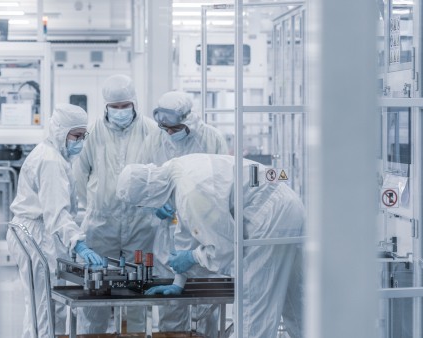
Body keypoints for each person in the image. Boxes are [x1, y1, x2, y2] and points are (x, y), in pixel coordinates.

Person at [116, 154, 304, 338]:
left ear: (148, 195)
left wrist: (192, 257)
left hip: (268, 217)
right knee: (297, 304)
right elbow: (188, 232)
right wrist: (178, 282)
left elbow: (225, 248)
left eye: (141, 206)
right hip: (287, 206)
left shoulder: (191, 191)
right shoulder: (176, 173)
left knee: (252, 309)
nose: (146, 210)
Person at [74, 74, 160, 333]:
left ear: (134, 104)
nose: (120, 111)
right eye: (115, 106)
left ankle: (135, 334)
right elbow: (80, 175)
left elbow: (161, 173)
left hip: (142, 227)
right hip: (101, 226)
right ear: (106, 106)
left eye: (125, 106)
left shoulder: (152, 131)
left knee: (138, 290)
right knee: (95, 294)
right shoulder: (92, 133)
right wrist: (91, 208)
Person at [7, 103, 103, 338]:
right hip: (36, 234)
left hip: (34, 232)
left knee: (45, 304)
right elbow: (56, 214)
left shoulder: (52, 154)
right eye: (76, 136)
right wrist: (78, 243)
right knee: (45, 306)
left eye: (83, 135)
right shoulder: (51, 161)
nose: (80, 141)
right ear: (61, 132)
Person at [138, 90, 228, 335]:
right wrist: (154, 205)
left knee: (208, 306)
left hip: (205, 230)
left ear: (188, 120)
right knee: (171, 305)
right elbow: (143, 183)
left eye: (174, 129)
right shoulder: (153, 142)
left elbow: (224, 186)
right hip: (168, 231)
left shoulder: (212, 138)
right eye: (164, 129)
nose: (169, 134)